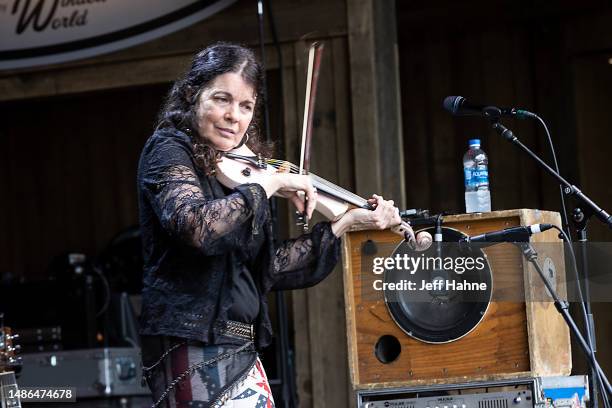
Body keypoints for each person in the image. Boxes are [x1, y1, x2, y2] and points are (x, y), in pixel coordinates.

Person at [137, 42, 415, 408]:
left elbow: (268, 267)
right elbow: (196, 226)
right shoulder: (169, 151)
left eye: (246, 106)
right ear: (192, 95)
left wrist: (345, 222)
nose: (233, 116)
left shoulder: (242, 171)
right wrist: (269, 184)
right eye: (222, 99)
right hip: (190, 343)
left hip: (239, 347)